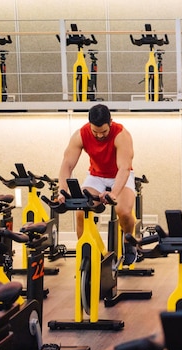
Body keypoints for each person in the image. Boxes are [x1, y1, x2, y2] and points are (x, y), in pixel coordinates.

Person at [57, 104, 138, 265]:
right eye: (96, 132)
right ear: (90, 125)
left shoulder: (122, 135)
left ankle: (129, 243)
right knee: (81, 208)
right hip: (96, 176)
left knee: (123, 210)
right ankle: (85, 252)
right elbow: (67, 164)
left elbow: (124, 168)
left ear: (111, 122)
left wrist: (113, 193)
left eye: (104, 132)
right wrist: (62, 191)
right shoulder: (81, 134)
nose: (99, 136)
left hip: (119, 176)